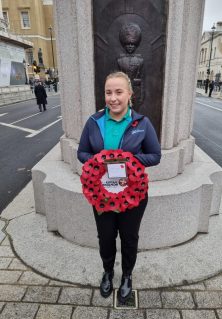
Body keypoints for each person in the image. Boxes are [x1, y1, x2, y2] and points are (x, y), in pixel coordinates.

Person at [77, 71, 161, 303]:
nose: (113, 98)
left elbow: (155, 155)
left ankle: (127, 276)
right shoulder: (94, 122)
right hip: (102, 196)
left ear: (129, 94)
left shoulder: (142, 123)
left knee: (129, 237)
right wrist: (99, 161)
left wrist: (127, 160)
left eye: (118, 92)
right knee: (105, 236)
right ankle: (107, 272)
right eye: (108, 92)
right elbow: (82, 152)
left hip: (133, 196)